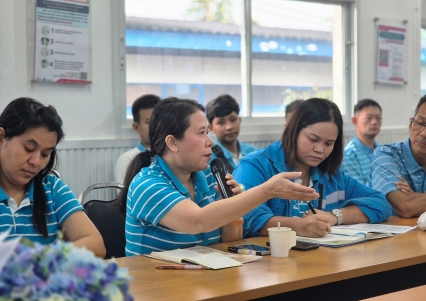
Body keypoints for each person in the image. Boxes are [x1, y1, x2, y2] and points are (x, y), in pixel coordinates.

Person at [117, 97, 318, 255]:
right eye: (201, 133)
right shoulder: (148, 184)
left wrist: (232, 205)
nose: (209, 142)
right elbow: (198, 222)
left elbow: (231, 241)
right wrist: (267, 190)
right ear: (172, 143)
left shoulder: (208, 177)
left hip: (203, 282)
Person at [233, 98, 392, 239]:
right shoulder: (254, 165)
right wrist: (300, 226)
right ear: (293, 131)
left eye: (328, 143)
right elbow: (247, 217)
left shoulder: (332, 175)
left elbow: (381, 203)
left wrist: (335, 216)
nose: (320, 149)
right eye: (313, 139)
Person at [0, 98, 105, 257]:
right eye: (29, 149)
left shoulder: (52, 188)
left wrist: (44, 260)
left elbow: (95, 244)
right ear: (1, 138)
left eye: (45, 154)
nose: (36, 162)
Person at [370, 95, 426, 218]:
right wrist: (411, 202)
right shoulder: (386, 154)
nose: (424, 133)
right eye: (421, 123)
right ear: (411, 124)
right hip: (392, 235)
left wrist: (415, 199)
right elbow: (405, 206)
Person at [114, 94, 161, 183]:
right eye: (149, 122)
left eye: (159, 121)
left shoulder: (173, 156)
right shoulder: (127, 160)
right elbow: (125, 195)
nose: (155, 126)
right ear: (136, 127)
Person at [205, 94, 256, 173]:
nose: (229, 127)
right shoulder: (209, 160)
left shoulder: (252, 152)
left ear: (239, 120)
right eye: (221, 122)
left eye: (233, 120)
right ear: (211, 128)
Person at [342, 99, 382, 184]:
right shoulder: (349, 155)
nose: (374, 122)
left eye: (378, 118)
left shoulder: (382, 151)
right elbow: (359, 192)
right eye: (368, 118)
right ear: (355, 121)